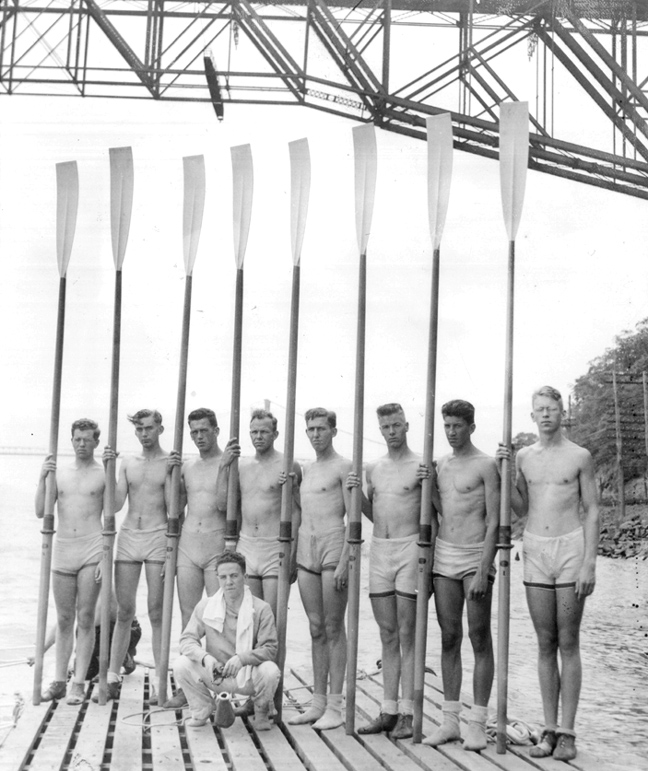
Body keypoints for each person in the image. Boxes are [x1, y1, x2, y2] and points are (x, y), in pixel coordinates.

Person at [497, 386, 600, 761]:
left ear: (562, 412)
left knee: (568, 641)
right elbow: (520, 509)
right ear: (532, 415)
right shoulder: (524, 456)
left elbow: (591, 509)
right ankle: (549, 730)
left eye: (551, 409)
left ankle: (569, 734)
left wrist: (590, 561)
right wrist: (505, 473)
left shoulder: (580, 456)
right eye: (539, 409)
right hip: (536, 549)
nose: (545, 415)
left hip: (571, 548)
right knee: (544, 642)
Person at [348, 403, 439, 740]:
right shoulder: (374, 468)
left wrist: (428, 565)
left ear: (407, 426)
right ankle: (388, 710)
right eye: (385, 427)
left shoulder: (421, 466)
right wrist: (356, 495)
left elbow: (435, 517)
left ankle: (409, 713)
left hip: (410, 547)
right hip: (381, 550)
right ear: (380, 428)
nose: (391, 432)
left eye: (397, 425)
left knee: (407, 632)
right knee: (387, 632)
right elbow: (375, 512)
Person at [422, 399, 499, 751]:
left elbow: (495, 521)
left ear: (471, 426)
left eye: (457, 425)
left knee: (479, 636)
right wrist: (429, 486)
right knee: (449, 636)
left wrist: (484, 568)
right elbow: (441, 509)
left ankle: (478, 722)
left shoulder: (485, 464)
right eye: (447, 426)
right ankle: (450, 720)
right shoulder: (440, 464)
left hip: (474, 557)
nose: (451, 432)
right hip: (445, 555)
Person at [96, 409, 169, 704]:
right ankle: (112, 676)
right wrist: (108, 470)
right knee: (124, 611)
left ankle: (162, 678)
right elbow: (112, 506)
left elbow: (176, 509)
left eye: (149, 428)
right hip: (129, 536)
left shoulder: (171, 462)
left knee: (156, 611)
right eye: (139, 429)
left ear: (160, 429)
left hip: (157, 536)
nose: (144, 434)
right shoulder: (128, 462)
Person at [287, 408, 351, 731]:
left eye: (321, 429)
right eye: (310, 429)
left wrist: (345, 560)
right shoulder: (308, 470)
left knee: (333, 625)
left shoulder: (344, 467)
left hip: (332, 545)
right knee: (315, 627)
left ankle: (336, 706)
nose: (315, 434)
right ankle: (318, 702)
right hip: (306, 547)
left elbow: (354, 520)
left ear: (333, 432)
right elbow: (301, 510)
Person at [165, 407, 232, 709]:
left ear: (216, 430)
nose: (199, 436)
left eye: (204, 430)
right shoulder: (188, 467)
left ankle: (221, 685)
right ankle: (187, 685)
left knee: (217, 620)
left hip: (216, 546)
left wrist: (225, 468)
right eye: (194, 432)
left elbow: (225, 505)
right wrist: (170, 474)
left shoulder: (230, 463)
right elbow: (175, 508)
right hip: (189, 545)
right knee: (188, 616)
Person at [36, 418, 105, 705]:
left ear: (96, 441)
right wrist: (42, 477)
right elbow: (41, 511)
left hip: (91, 547)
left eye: (87, 439)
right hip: (63, 548)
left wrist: (106, 554)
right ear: (71, 440)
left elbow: (113, 511)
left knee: (86, 617)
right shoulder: (59, 473)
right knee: (64, 619)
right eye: (77, 438)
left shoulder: (102, 474)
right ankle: (59, 681)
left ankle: (78, 682)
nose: (81, 443)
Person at [172, 550, 280, 729]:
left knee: (270, 670)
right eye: (223, 577)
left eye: (234, 576)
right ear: (217, 578)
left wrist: (242, 658)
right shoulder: (206, 606)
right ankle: (202, 709)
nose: (228, 582)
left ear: (245, 577)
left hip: (248, 676)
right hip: (217, 676)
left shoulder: (261, 608)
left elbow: (270, 648)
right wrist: (205, 658)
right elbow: (187, 640)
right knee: (181, 664)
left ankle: (261, 711)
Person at [218, 409, 302, 619]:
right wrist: (223, 466)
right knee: (249, 617)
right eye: (254, 432)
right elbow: (223, 504)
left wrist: (293, 555)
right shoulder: (242, 466)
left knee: (272, 617)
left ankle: (276, 654)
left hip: (274, 546)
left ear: (275, 434)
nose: (258, 437)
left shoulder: (288, 464)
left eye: (264, 432)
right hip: (246, 545)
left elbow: (296, 511)